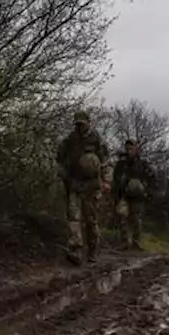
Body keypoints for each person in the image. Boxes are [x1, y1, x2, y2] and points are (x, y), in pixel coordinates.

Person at [55, 109, 111, 265]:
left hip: (92, 185)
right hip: (74, 183)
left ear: (88, 123)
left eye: (82, 123)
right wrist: (62, 174)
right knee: (74, 216)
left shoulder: (97, 140)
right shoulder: (70, 139)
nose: (79, 127)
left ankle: (92, 251)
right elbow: (60, 158)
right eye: (77, 124)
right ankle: (76, 249)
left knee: (90, 220)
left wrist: (107, 181)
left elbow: (106, 162)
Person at [112, 138, 154, 251]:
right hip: (123, 194)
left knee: (136, 219)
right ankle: (124, 242)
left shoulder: (142, 164)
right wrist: (116, 194)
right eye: (127, 148)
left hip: (137, 196)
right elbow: (115, 180)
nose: (129, 150)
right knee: (122, 216)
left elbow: (151, 178)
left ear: (136, 149)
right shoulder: (121, 164)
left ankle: (137, 243)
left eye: (131, 148)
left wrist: (146, 190)